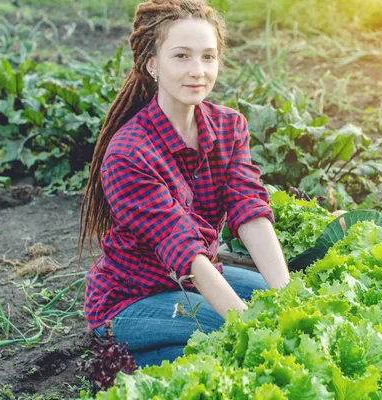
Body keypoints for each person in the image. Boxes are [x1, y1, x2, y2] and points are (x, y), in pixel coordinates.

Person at [77, 0, 290, 368]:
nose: (197, 71)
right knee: (232, 338)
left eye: (208, 57)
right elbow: (184, 250)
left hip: (197, 282)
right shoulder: (128, 153)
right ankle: (120, 356)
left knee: (281, 308)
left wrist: (290, 300)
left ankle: (157, 359)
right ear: (152, 64)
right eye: (181, 56)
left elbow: (249, 209)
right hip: (132, 299)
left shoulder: (229, 126)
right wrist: (250, 332)